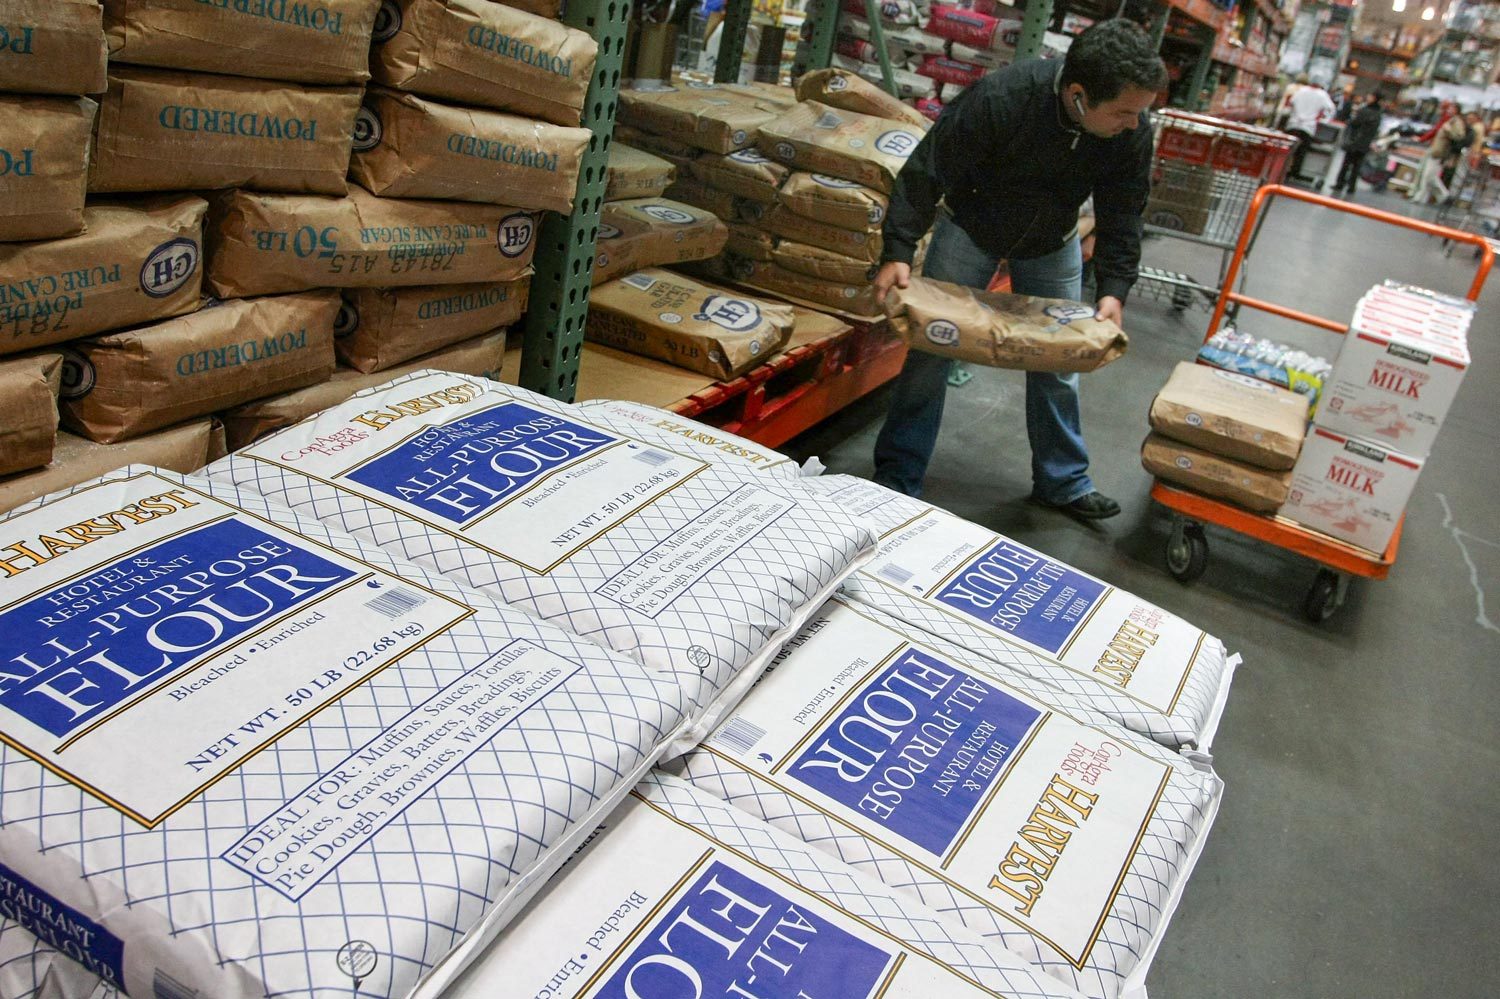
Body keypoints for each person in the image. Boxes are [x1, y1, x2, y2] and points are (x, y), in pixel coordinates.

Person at [870, 19, 1166, 519]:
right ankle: (897, 476)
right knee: (931, 348)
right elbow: (930, 166)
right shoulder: (1002, 98)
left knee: (1060, 360)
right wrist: (898, 249)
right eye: (1122, 112)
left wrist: (1114, 289)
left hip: (1053, 239)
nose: (1134, 124)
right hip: (971, 226)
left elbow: (1123, 212)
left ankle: (1063, 481)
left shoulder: (1128, 132)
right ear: (1078, 95)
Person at [1409, 104, 1471, 204]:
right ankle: (1423, 196)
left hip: (1441, 152)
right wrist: (1422, 139)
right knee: (1425, 174)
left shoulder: (1456, 122)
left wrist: (1449, 131)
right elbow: (1434, 131)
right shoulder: (1446, 119)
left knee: (1429, 175)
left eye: (1452, 108)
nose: (1449, 110)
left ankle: (1443, 195)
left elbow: (1459, 137)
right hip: (1434, 149)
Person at [1285, 78, 1336, 181]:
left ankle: (1283, 169)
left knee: (1287, 150)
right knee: (1301, 152)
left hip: (1293, 124)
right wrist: (1324, 119)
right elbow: (1331, 108)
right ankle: (1294, 173)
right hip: (1308, 126)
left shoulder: (1301, 90)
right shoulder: (1322, 95)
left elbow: (1291, 102)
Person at [1333, 93, 1382, 196]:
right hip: (1365, 143)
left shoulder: (1364, 111)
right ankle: (1351, 186)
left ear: (1374, 98)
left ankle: (1340, 183)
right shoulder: (1378, 114)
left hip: (1354, 142)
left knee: (1346, 164)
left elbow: (1355, 123)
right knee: (1357, 166)